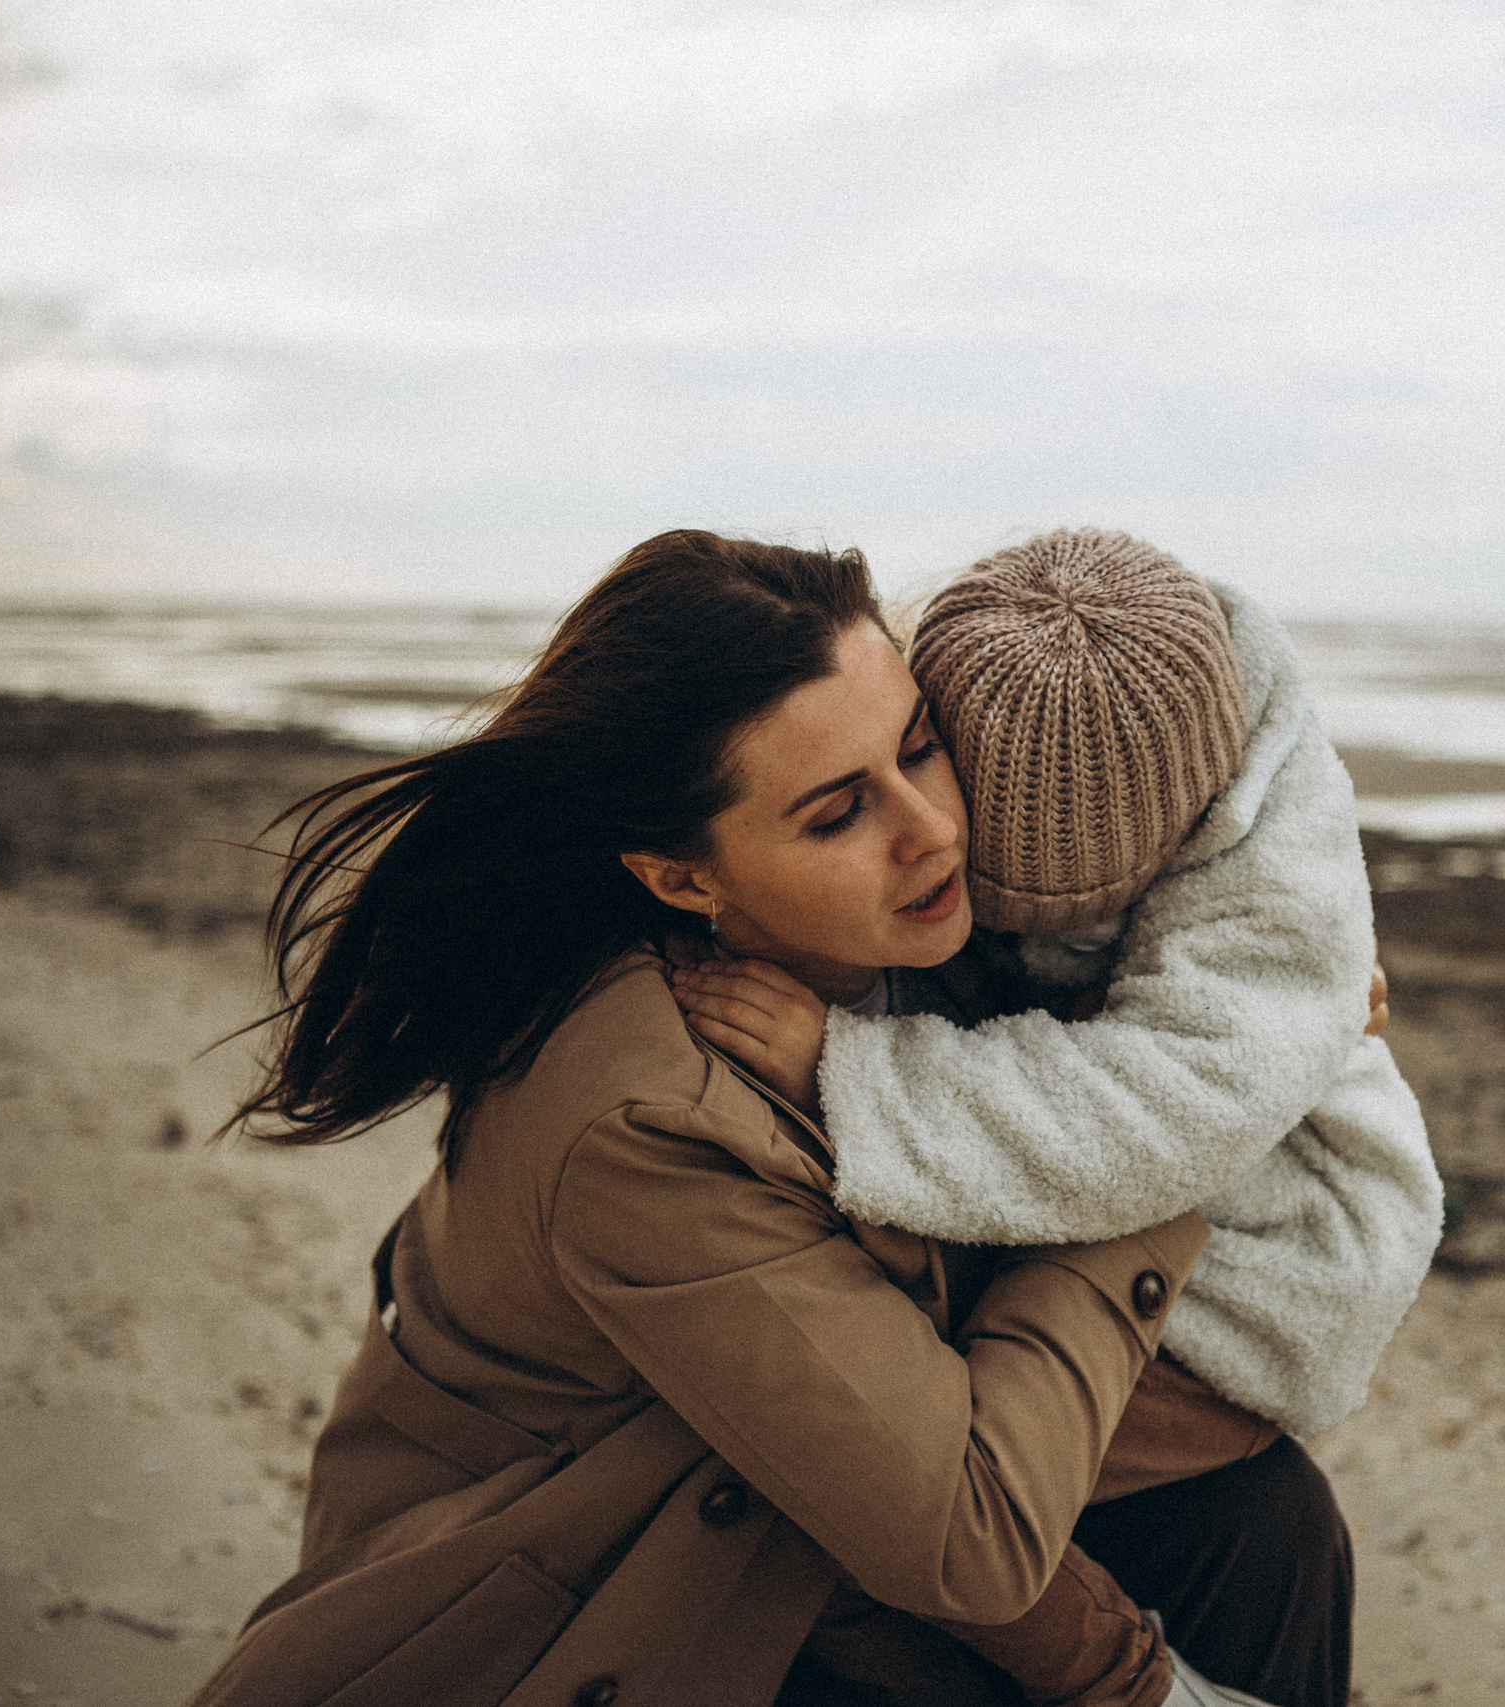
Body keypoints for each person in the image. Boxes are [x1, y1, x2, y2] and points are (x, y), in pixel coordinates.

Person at [183, 531, 1349, 1707]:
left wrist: (1250, 1032)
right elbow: (971, 1534)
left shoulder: (896, 936)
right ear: (682, 877)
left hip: (758, 1527)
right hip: (573, 1610)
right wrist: (1173, 1143)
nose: (931, 827)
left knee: (1259, 1518)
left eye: (920, 746)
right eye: (839, 812)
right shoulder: (648, 1121)